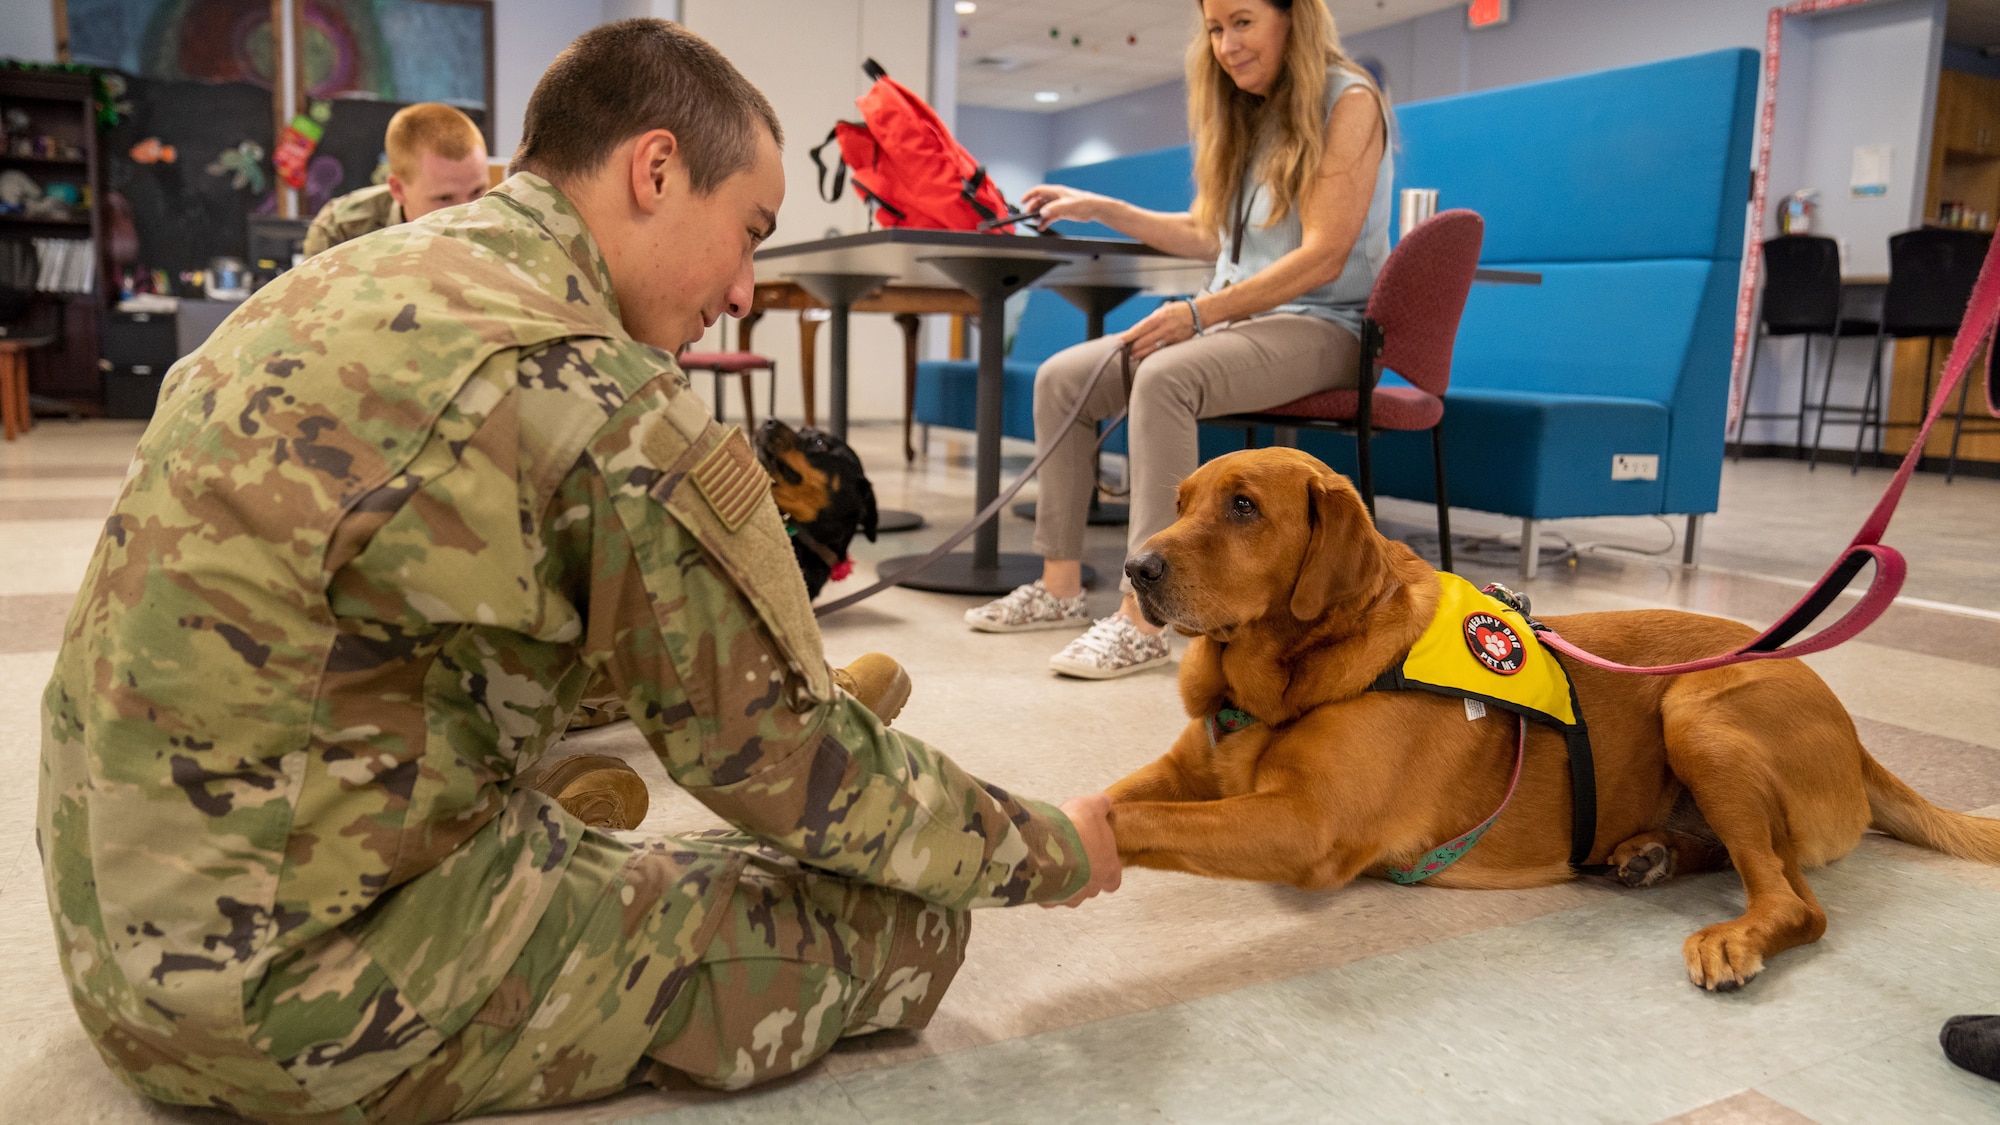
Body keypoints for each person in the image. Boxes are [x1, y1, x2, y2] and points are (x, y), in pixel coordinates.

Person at [38, 19, 1119, 1123]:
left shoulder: (317, 286)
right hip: (283, 1009)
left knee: (554, 635)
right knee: (905, 922)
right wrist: (1056, 845)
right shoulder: (596, 392)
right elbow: (787, 770)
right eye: (747, 232)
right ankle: (533, 843)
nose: (747, 288)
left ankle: (536, 818)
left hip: (111, 933)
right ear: (654, 169)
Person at [964, 0, 1393, 680]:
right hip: (1245, 323)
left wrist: (1198, 314)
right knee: (1062, 376)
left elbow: (1325, 256)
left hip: (1326, 327)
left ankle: (1142, 617)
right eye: (1216, 28)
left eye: (1243, 21)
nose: (1227, 44)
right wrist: (1102, 207)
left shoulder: (1350, 101)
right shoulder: (1251, 114)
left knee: (1165, 375)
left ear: (1295, 18)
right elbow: (1208, 235)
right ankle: (1060, 584)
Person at [301, 101, 491, 257]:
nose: (465, 214)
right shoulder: (342, 230)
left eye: (477, 192)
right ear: (398, 190)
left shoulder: (506, 226)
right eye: (444, 198)